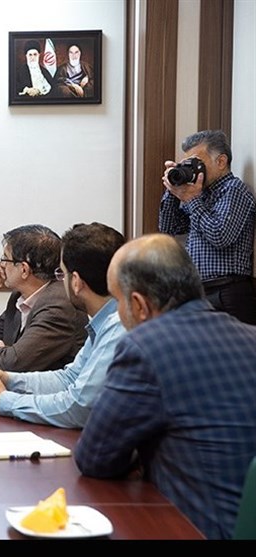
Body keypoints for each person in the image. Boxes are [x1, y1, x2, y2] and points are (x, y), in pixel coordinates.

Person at [74, 234, 256, 540]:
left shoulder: (145, 347)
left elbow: (95, 458)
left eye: (117, 301)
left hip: (196, 529)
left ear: (139, 305)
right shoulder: (251, 335)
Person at [0, 223, 125, 428]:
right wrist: (7, 379)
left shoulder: (117, 327)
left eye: (61, 274)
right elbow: (68, 378)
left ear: (75, 281)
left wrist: (1, 400)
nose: (59, 281)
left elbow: (77, 408)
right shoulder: (104, 322)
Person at [0, 224, 88, 371]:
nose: (1, 265)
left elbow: (14, 362)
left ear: (24, 269)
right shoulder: (20, 297)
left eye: (5, 259)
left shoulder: (58, 306)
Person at [158, 129, 256, 325]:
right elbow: (169, 229)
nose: (194, 170)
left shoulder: (234, 189)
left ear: (221, 161)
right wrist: (173, 190)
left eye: (197, 163)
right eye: (188, 164)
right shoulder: (199, 194)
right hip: (200, 291)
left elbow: (220, 236)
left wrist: (191, 199)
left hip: (227, 291)